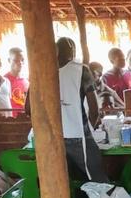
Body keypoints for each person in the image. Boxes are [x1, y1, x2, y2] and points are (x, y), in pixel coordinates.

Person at [39, 37, 106, 183]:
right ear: (73, 52)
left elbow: (29, 109)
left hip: (53, 138)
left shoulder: (43, 71)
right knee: (99, 183)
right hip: (79, 136)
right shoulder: (81, 70)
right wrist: (89, 130)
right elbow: (94, 109)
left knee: (67, 183)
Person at [4, 47, 29, 115]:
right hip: (10, 121)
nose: (20, 63)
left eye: (22, 60)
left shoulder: (26, 81)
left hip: (25, 120)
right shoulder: (3, 81)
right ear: (9, 60)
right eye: (16, 60)